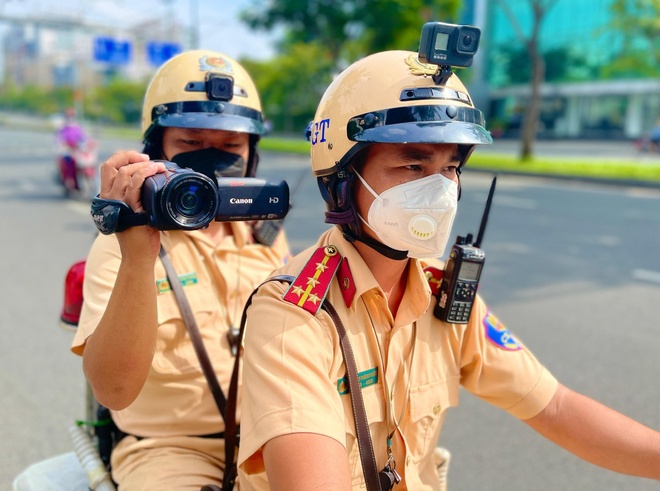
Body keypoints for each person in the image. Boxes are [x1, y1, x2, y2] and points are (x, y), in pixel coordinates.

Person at [236, 49, 660, 490]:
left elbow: (555, 408)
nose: (439, 191)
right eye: (413, 165)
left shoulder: (443, 291)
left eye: (450, 168)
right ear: (342, 179)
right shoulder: (293, 315)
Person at [71, 50, 291, 490]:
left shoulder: (265, 236)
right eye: (191, 144)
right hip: (168, 451)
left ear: (251, 156)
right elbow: (112, 391)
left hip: (270, 440)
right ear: (156, 151)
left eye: (231, 146)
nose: (213, 158)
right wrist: (138, 255)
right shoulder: (121, 247)